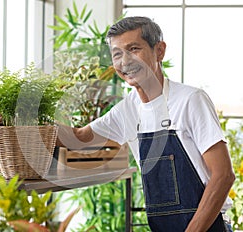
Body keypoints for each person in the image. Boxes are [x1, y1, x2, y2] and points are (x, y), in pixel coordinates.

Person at [57, 16, 235, 232]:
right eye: (117, 54)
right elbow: (80, 137)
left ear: (159, 50)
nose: (125, 62)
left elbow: (223, 175)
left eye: (134, 49)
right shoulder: (128, 109)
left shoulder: (190, 100)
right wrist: (13, 125)